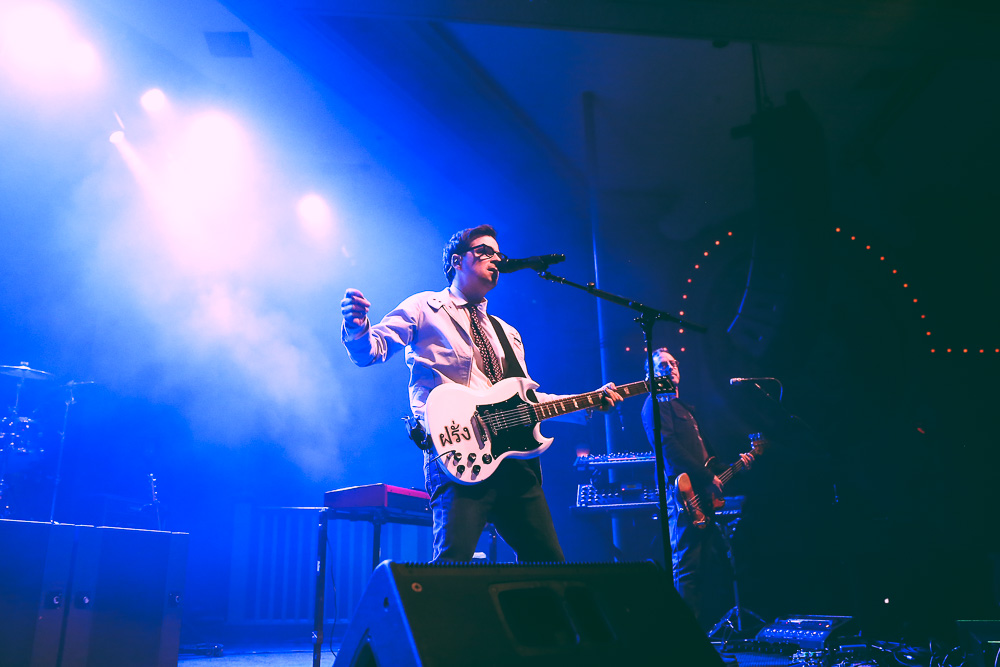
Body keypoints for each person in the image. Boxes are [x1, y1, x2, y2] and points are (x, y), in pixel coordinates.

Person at [341, 225, 622, 562]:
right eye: (485, 252)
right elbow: (372, 350)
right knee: (452, 563)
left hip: (513, 462)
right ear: (457, 261)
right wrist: (358, 328)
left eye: (499, 255)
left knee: (548, 563)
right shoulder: (425, 307)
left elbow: (527, 401)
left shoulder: (508, 333)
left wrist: (590, 400)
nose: (496, 260)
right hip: (458, 455)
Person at [641, 347, 752, 627]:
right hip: (683, 495)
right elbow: (669, 447)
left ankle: (703, 633)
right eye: (663, 364)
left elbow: (707, 458)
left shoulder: (685, 408)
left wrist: (736, 465)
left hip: (702, 493)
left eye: (674, 362)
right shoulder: (655, 404)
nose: (671, 367)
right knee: (687, 568)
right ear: (650, 374)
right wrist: (705, 477)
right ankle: (686, 640)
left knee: (705, 567)